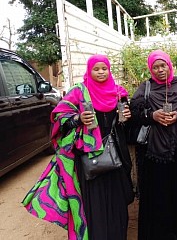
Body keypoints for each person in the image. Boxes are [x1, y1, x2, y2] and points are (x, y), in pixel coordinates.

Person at [22, 55, 134, 239]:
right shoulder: (78, 92)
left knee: (117, 201)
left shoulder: (118, 92)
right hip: (89, 159)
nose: (100, 72)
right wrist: (77, 119)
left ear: (109, 70)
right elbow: (59, 117)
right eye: (96, 69)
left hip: (115, 155)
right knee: (94, 203)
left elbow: (125, 125)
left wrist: (127, 117)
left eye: (104, 69)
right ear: (89, 71)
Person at [130, 50, 177, 240]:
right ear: (151, 69)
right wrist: (153, 116)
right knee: (158, 195)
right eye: (156, 67)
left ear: (169, 65)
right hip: (154, 152)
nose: (160, 70)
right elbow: (134, 113)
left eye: (163, 65)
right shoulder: (145, 88)